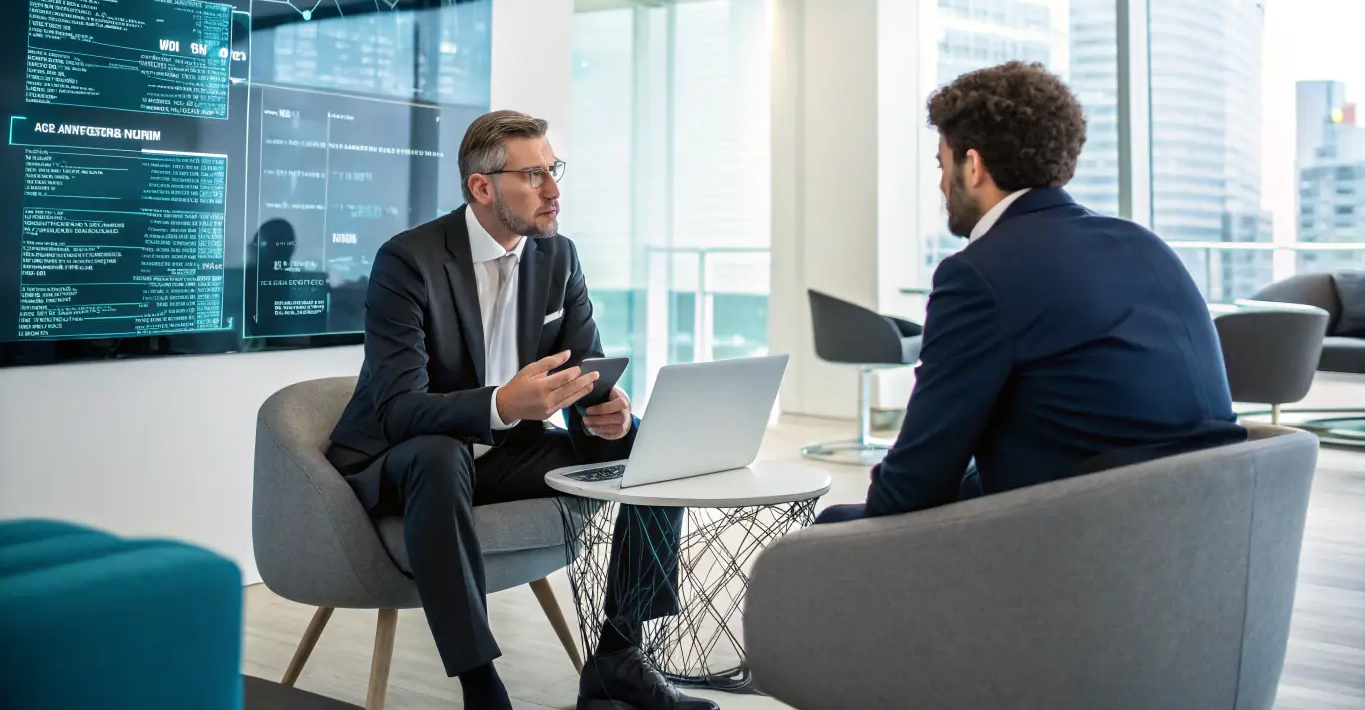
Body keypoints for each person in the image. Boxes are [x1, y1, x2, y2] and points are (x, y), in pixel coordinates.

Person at [326, 110, 716, 710]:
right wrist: (502, 404)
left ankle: (618, 655)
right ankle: (480, 685)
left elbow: (586, 371)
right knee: (437, 454)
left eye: (553, 170)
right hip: (401, 458)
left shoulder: (557, 256)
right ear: (482, 188)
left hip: (502, 457)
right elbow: (400, 408)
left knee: (643, 445)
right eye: (534, 176)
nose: (554, 190)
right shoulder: (408, 262)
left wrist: (604, 411)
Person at [818, 62, 1246, 524]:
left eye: (943, 165)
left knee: (827, 535)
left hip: (1078, 542)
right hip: (1210, 524)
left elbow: (915, 483)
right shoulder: (1143, 245)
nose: (942, 184)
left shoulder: (977, 274)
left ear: (974, 165)